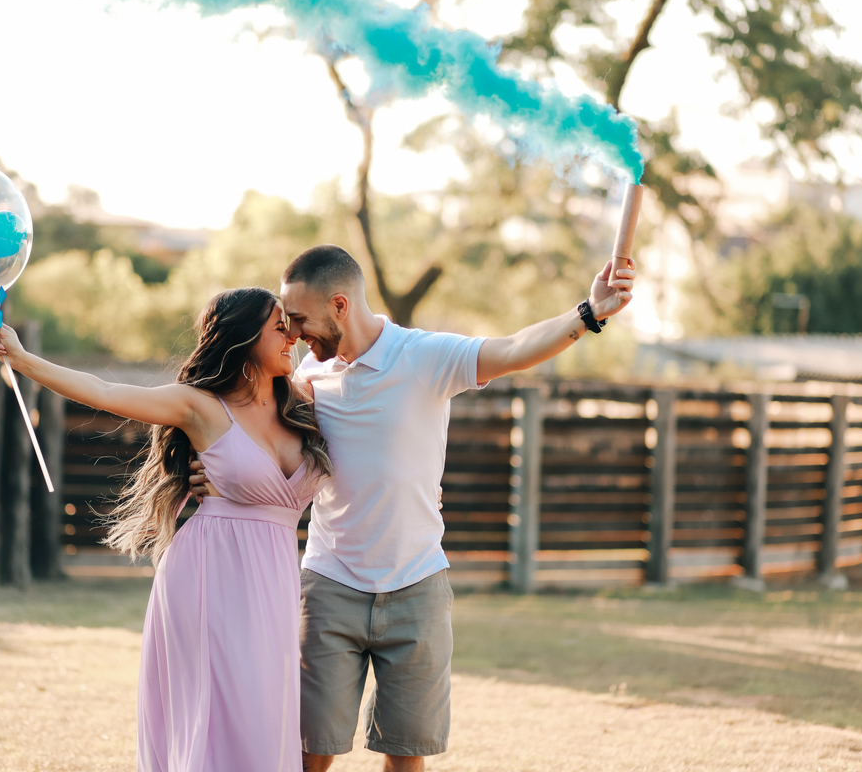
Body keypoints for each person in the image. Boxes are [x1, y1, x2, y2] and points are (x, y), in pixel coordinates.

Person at [191, 245, 635, 772]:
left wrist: (589, 312)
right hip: (330, 586)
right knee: (311, 749)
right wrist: (210, 471)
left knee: (406, 753)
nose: (293, 333)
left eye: (300, 320)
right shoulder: (306, 377)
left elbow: (515, 348)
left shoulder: (425, 356)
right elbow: (243, 422)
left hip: (416, 586)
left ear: (339, 305)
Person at [0, 287, 332, 772]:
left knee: (267, 712)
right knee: (226, 712)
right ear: (244, 336)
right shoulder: (200, 406)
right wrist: (23, 360)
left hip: (274, 579)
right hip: (211, 573)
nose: (291, 337)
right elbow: (105, 393)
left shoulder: (306, 400)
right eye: (279, 327)